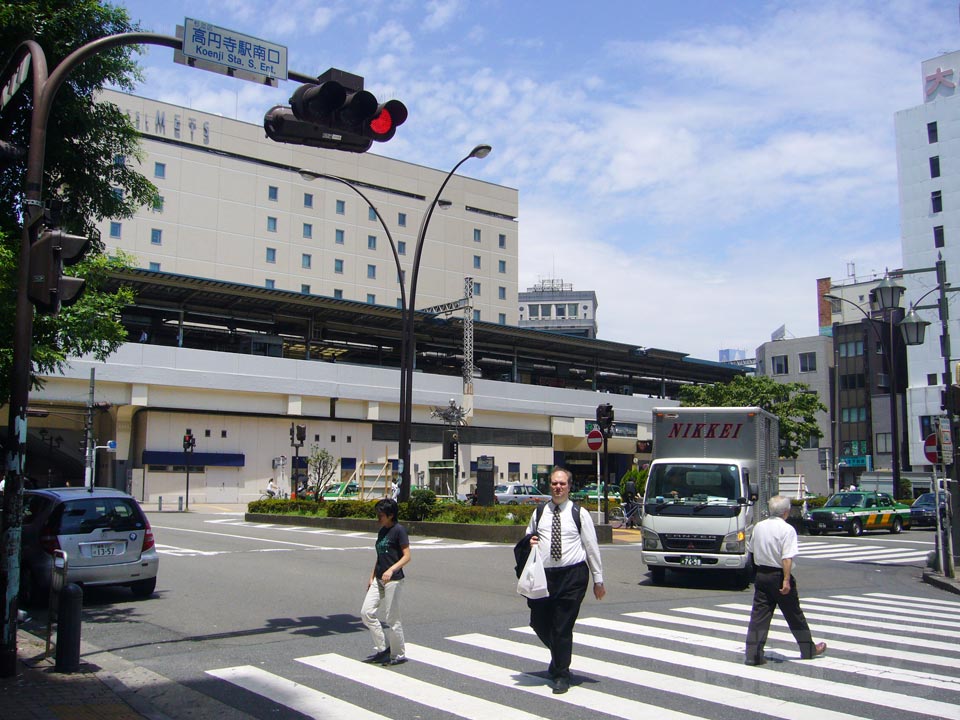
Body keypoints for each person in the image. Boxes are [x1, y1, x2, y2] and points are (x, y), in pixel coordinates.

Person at [526, 466, 604, 694]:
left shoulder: (579, 513)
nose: (558, 487)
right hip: (545, 576)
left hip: (573, 575)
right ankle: (559, 656)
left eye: (562, 483)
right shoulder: (540, 512)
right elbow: (527, 537)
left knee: (561, 626)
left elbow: (591, 547)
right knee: (538, 622)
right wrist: (529, 542)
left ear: (569, 486)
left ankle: (562, 674)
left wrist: (598, 580)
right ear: (549, 486)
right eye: (554, 483)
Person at [744, 495, 827, 666]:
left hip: (762, 574)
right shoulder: (787, 529)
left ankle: (753, 654)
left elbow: (751, 549)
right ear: (786, 512)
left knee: (759, 616)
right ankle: (808, 649)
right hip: (779, 575)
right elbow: (787, 558)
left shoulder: (759, 526)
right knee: (794, 614)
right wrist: (786, 580)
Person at [360, 498, 411, 666]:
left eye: (381, 515)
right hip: (379, 579)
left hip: (393, 580)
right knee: (366, 612)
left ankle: (398, 654)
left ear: (391, 515)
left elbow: (407, 556)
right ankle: (383, 649)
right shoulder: (382, 531)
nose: (378, 518)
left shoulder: (399, 531)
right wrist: (372, 576)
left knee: (392, 618)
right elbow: (380, 555)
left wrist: (391, 569)